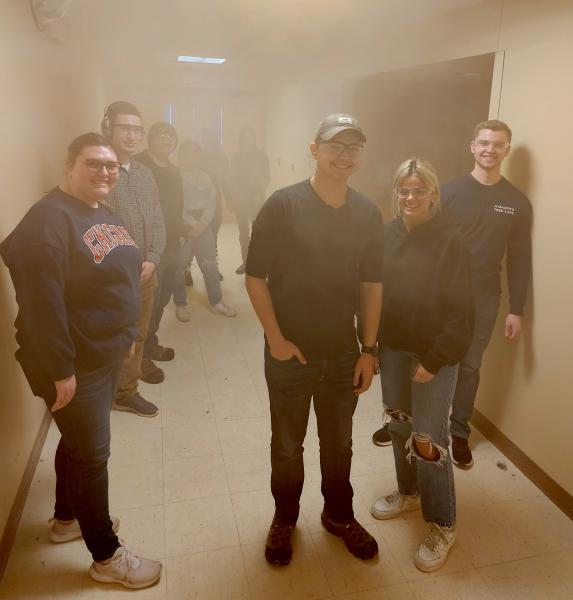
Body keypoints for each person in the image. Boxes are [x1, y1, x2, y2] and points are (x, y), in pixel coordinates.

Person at [0, 133, 162, 589]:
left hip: (104, 353)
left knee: (76, 443)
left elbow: (114, 279)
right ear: (68, 167)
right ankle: (106, 557)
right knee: (93, 456)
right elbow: (41, 306)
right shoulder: (46, 222)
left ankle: (66, 518)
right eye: (93, 164)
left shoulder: (97, 211)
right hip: (74, 364)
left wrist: (126, 336)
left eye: (111, 166)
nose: (105, 172)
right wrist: (61, 370)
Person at [246, 114, 384, 566]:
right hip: (290, 353)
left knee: (339, 444)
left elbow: (371, 284)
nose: (344, 157)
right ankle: (285, 518)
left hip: (343, 352)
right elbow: (255, 277)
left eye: (352, 148)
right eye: (335, 147)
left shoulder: (366, 213)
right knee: (287, 444)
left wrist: (369, 349)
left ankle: (338, 516)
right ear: (314, 149)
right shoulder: (282, 206)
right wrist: (276, 339)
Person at [370, 158, 473, 573]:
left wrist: (433, 361)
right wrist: (371, 345)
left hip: (434, 355)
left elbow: (462, 313)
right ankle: (407, 491)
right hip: (393, 349)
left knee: (428, 439)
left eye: (418, 190)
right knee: (398, 424)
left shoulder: (451, 241)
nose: (410, 197)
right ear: (396, 193)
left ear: (432, 194)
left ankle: (443, 522)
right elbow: (375, 293)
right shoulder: (387, 235)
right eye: (403, 190)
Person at [444, 119, 532, 467]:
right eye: (483, 143)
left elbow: (521, 258)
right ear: (472, 146)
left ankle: (459, 433)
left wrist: (517, 309)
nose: (489, 150)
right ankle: (403, 421)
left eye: (497, 144)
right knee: (425, 359)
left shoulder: (516, 202)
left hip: (484, 297)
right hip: (442, 293)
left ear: (506, 150)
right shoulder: (448, 193)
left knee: (468, 366)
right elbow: (426, 245)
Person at [101, 101, 166, 417]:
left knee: (138, 335)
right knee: (110, 336)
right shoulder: (98, 169)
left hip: (145, 273)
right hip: (111, 277)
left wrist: (152, 258)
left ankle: (127, 392)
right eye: (124, 128)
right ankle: (102, 393)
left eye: (137, 130)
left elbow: (156, 219)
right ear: (107, 128)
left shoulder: (144, 173)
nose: (131, 135)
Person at [135, 121, 183, 362]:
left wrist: (182, 234)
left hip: (173, 243)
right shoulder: (138, 166)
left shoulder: (174, 170)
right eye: (161, 136)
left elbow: (177, 206)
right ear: (150, 139)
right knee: (147, 302)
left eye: (171, 137)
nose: (166, 140)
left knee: (163, 298)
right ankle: (138, 355)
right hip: (150, 246)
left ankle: (149, 343)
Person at [173, 140, 237, 319]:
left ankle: (216, 301)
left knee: (210, 265)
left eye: (195, 154)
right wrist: (191, 223)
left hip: (204, 226)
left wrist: (202, 224)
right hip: (182, 227)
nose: (191, 157)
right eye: (187, 153)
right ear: (181, 156)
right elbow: (175, 204)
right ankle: (180, 303)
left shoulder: (205, 177)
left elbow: (212, 202)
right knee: (179, 267)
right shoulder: (175, 177)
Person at [230, 126, 270, 274]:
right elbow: (232, 179)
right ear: (241, 139)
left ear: (254, 139)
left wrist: (258, 192)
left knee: (258, 232)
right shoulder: (236, 157)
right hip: (240, 199)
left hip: (256, 199)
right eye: (245, 137)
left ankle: (257, 263)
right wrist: (234, 198)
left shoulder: (261, 156)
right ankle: (246, 263)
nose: (247, 140)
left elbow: (266, 176)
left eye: (250, 137)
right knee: (243, 233)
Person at [200, 127, 231, 277]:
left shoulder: (222, 158)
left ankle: (214, 269)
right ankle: (186, 270)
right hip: (198, 200)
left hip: (215, 199)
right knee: (194, 236)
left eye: (212, 139)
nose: (210, 142)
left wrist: (229, 199)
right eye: (207, 139)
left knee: (213, 234)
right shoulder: (199, 156)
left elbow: (226, 180)